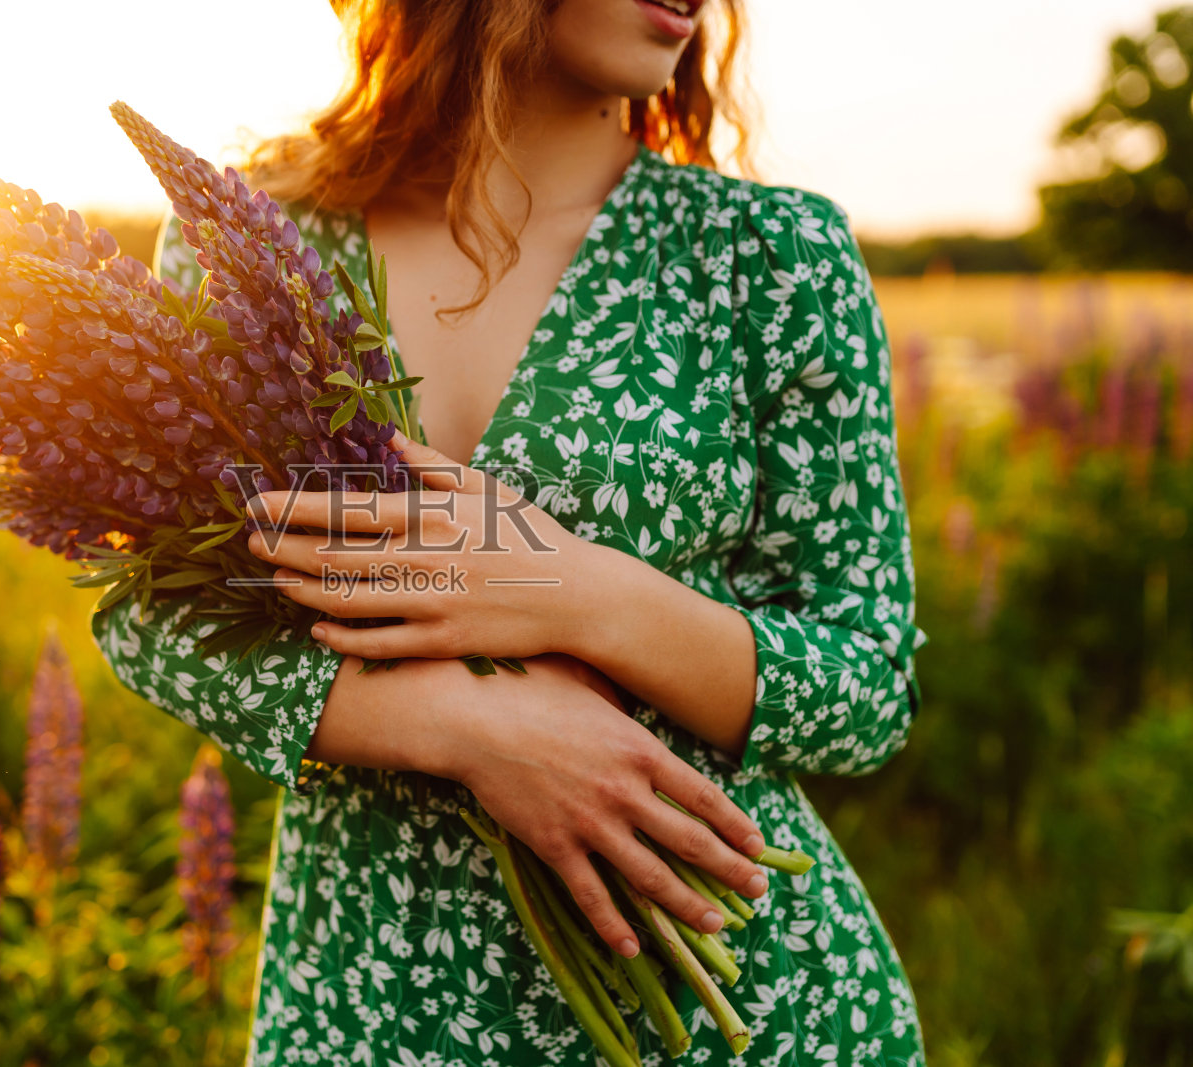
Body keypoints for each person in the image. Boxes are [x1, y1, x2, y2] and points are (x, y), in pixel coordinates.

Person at [93, 0, 930, 1061]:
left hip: (743, 1006)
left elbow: (863, 684)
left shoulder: (771, 257)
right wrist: (470, 728)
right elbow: (148, 606)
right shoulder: (257, 239)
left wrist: (570, 588)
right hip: (374, 1002)